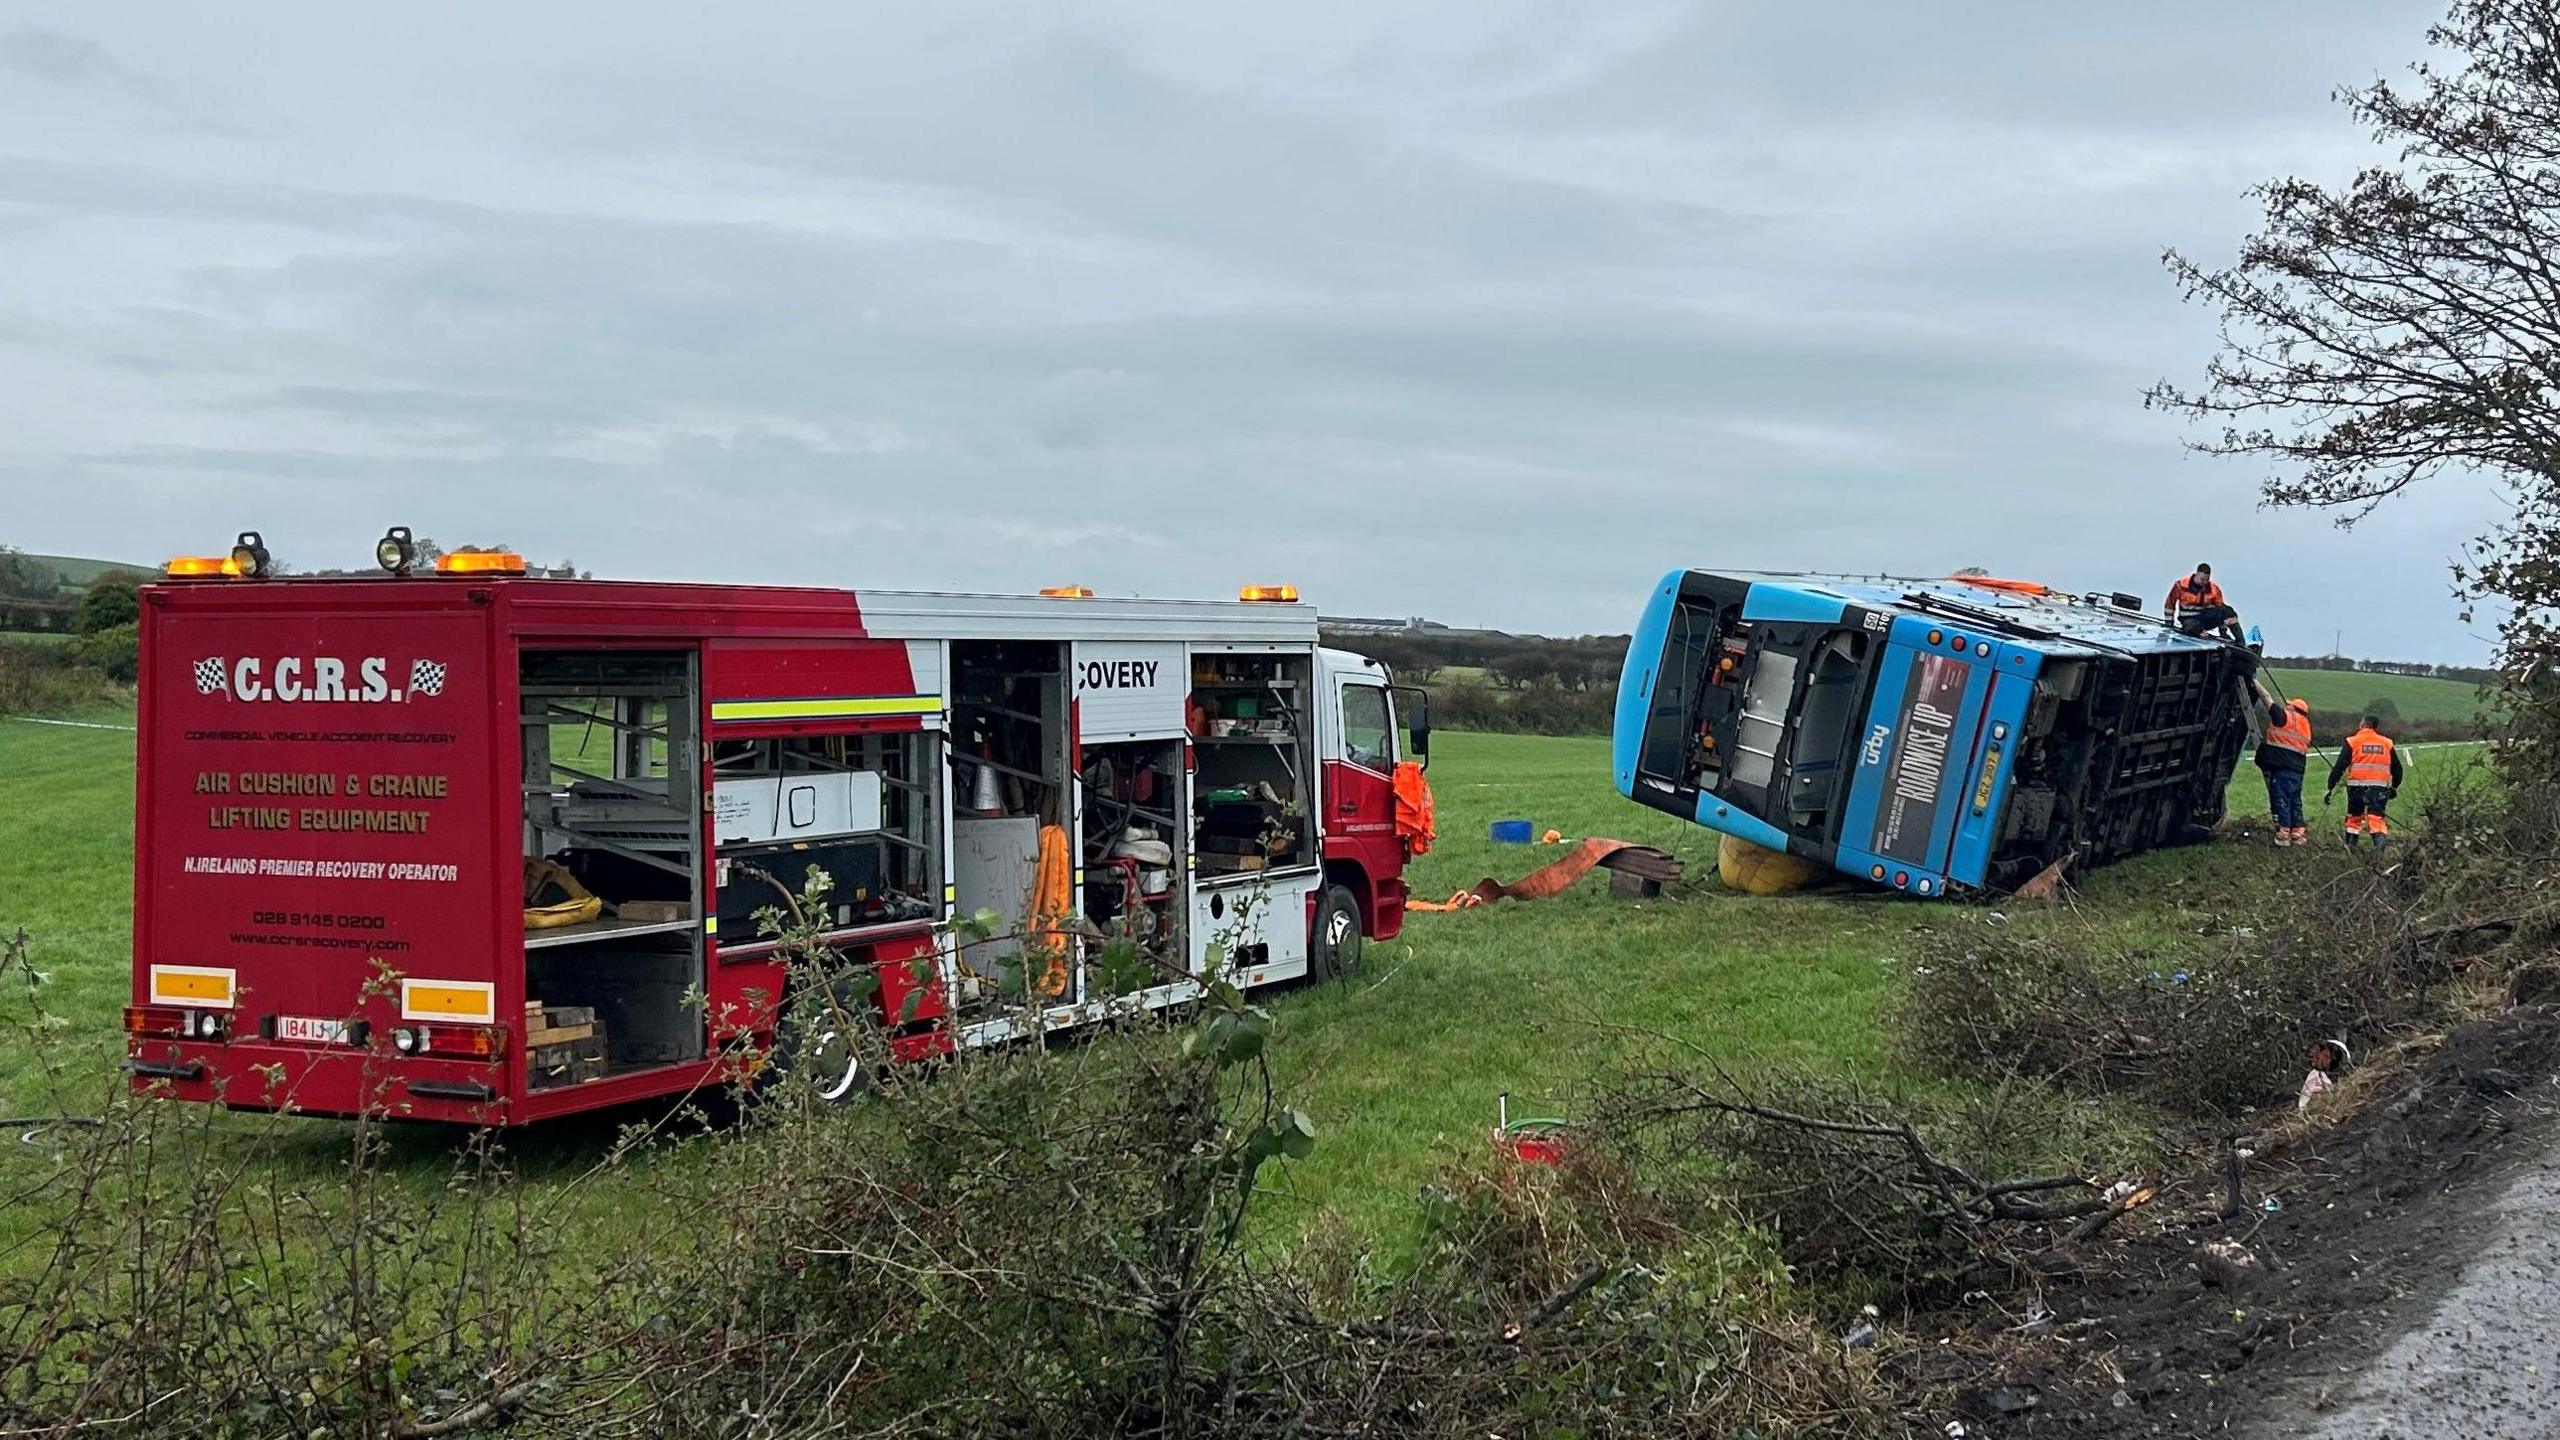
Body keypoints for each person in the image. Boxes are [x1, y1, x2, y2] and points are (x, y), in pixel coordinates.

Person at [2326, 714, 2404, 852]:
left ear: (2362, 724)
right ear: (2375, 726)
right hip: (2378, 788)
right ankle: (2379, 853)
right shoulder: (2386, 743)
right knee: (2376, 819)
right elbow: (2397, 769)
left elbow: (2339, 767)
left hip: (2356, 788)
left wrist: (2330, 787)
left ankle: (2350, 850)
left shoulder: (2352, 741)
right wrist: (2394, 787)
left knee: (2354, 819)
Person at [2250, 678, 2313, 846]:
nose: (2287, 705)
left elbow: (2267, 699)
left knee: (2280, 799)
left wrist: (2254, 683)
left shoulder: (2285, 717)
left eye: (2289, 705)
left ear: (2294, 708)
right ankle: (2298, 833)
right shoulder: (2305, 726)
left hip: (2281, 768)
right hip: (2298, 770)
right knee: (2294, 799)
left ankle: (2283, 833)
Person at [2165, 563, 2241, 639]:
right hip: (2189, 619)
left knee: (2228, 611)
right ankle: (2201, 633)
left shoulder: (2213, 589)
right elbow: (2170, 605)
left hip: (2205, 618)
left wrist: (2223, 631)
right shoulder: (2181, 585)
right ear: (2197, 574)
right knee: (2193, 627)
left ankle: (2240, 641)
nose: (2204, 582)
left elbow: (2220, 609)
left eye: (2206, 580)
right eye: (2202, 579)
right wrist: (2169, 624)